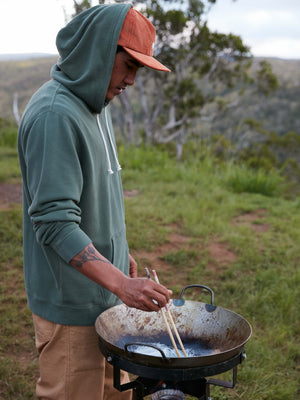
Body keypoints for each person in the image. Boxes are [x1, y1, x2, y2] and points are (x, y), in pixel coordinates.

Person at [17, 4, 171, 400]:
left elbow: (95, 196)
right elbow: (54, 222)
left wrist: (120, 256)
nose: (132, 80)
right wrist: (121, 282)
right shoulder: (55, 115)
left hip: (106, 300)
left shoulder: (96, 104)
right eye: (129, 65)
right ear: (100, 52)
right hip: (73, 309)